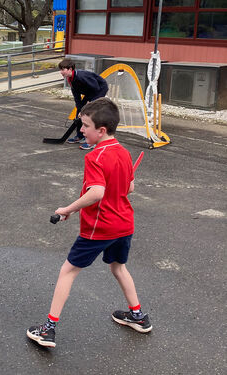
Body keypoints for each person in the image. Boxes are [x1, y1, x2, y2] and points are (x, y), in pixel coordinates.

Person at [26, 97, 152, 349]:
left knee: (68, 271)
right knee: (118, 268)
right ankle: (138, 316)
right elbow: (130, 187)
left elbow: (97, 192)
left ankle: (48, 330)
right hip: (124, 224)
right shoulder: (124, 152)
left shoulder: (95, 156)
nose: (81, 130)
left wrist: (67, 208)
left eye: (85, 126)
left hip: (100, 227)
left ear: (101, 130)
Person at [59, 59, 108, 150]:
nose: (61, 72)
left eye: (63, 69)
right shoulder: (71, 79)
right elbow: (77, 96)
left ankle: (93, 141)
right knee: (80, 111)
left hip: (99, 89)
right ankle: (80, 136)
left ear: (70, 69)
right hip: (90, 91)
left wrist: (90, 104)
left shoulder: (81, 76)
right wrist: (80, 108)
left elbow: (96, 88)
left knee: (91, 114)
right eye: (60, 69)